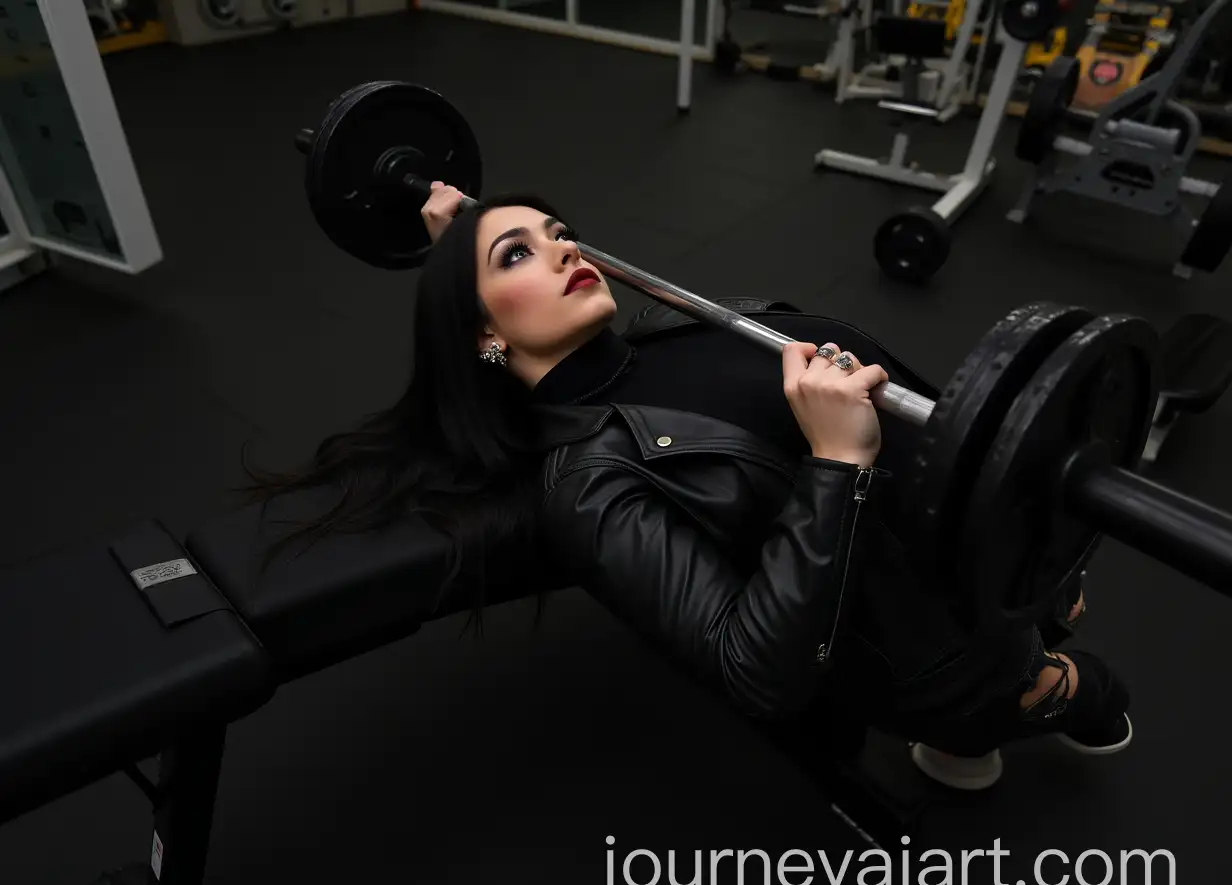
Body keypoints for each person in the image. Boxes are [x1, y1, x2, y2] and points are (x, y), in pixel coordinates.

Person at [242, 184, 1132, 791]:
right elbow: (756, 673)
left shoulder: (670, 336)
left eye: (561, 234)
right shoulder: (588, 485)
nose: (564, 250)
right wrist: (836, 463)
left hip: (977, 550)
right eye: (522, 253)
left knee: (1047, 616)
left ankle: (973, 719)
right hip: (930, 639)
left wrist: (1029, 536)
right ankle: (996, 706)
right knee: (1100, 695)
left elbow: (927, 406)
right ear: (482, 334)